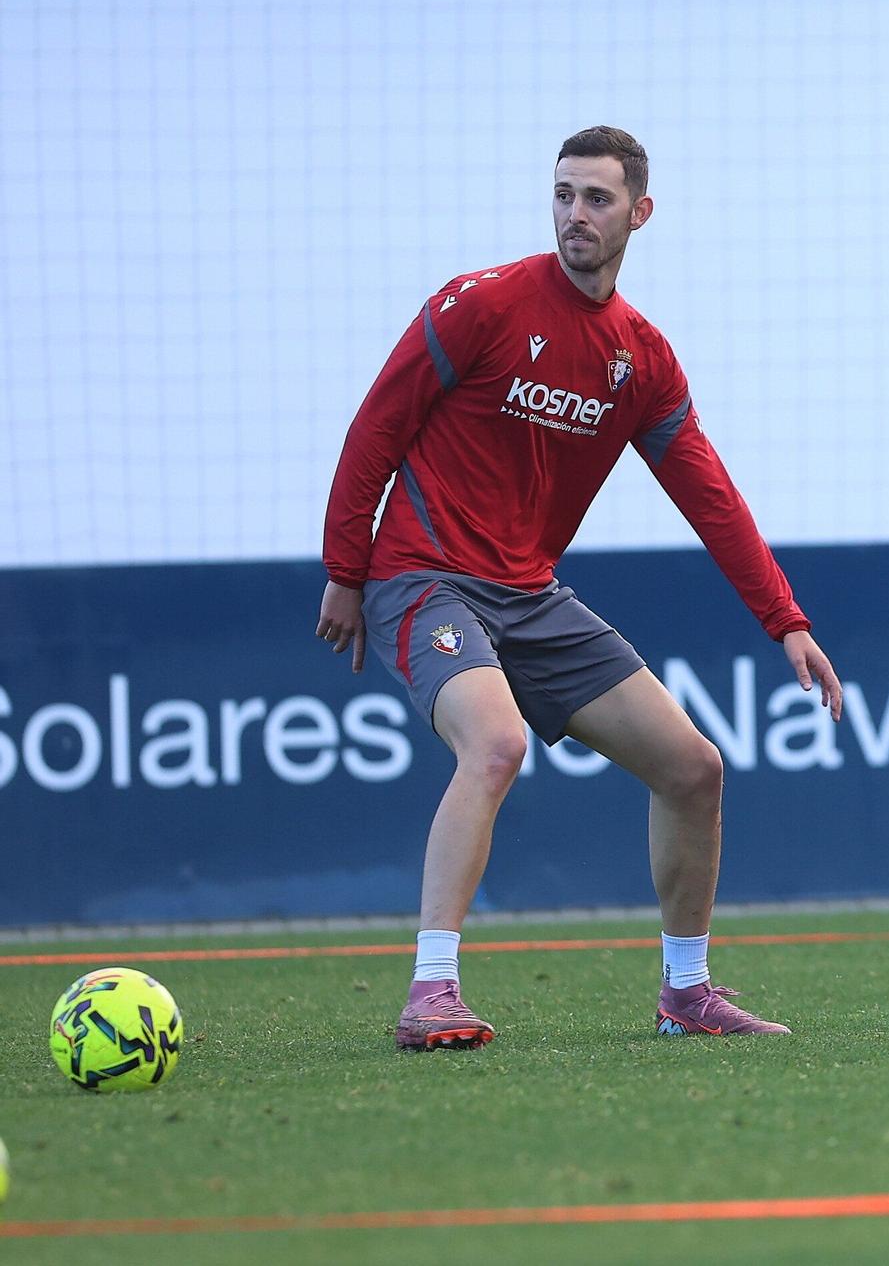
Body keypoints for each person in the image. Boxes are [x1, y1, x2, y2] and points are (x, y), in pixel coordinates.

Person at [317, 126, 841, 1048]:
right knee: (495, 745)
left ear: (639, 214)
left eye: (596, 199)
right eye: (563, 195)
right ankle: (431, 990)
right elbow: (375, 430)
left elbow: (706, 491)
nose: (575, 215)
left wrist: (784, 619)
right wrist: (344, 570)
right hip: (425, 576)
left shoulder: (640, 357)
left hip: (529, 594)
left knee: (694, 768)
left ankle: (688, 994)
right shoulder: (478, 305)